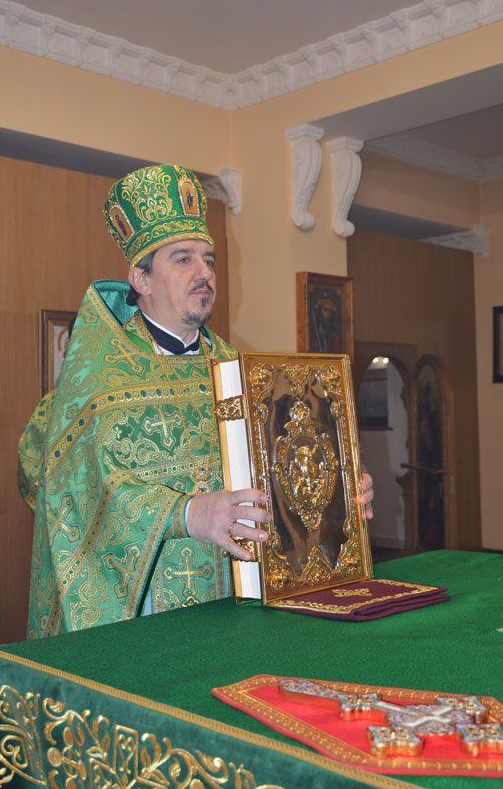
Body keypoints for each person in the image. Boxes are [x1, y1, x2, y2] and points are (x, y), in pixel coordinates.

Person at [19, 164, 373, 638]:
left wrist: (338, 490)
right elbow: (69, 488)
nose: (204, 273)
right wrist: (188, 514)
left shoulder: (240, 374)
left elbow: (278, 470)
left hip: (236, 602)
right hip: (143, 618)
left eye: (208, 259)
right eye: (183, 259)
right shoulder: (97, 383)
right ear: (141, 279)